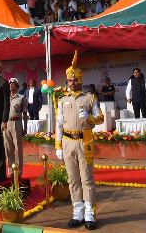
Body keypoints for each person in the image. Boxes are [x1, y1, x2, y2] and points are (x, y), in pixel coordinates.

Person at [54, 51, 103, 230]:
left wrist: (89, 117)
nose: (72, 83)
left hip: (84, 142)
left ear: (80, 81)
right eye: (69, 80)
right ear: (66, 82)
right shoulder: (62, 100)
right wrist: (58, 146)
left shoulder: (90, 98)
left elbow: (100, 119)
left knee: (87, 179)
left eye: (75, 80)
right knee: (73, 179)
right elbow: (58, 124)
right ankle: (78, 212)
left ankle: (90, 213)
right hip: (67, 142)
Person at [5, 78, 28, 177]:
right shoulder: (5, 98)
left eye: (13, 83)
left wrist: (25, 127)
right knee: (8, 148)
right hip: (6, 123)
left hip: (16, 123)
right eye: (10, 83)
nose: (11, 85)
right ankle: (11, 171)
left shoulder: (21, 98)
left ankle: (18, 172)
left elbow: (25, 113)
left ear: (17, 86)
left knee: (18, 148)